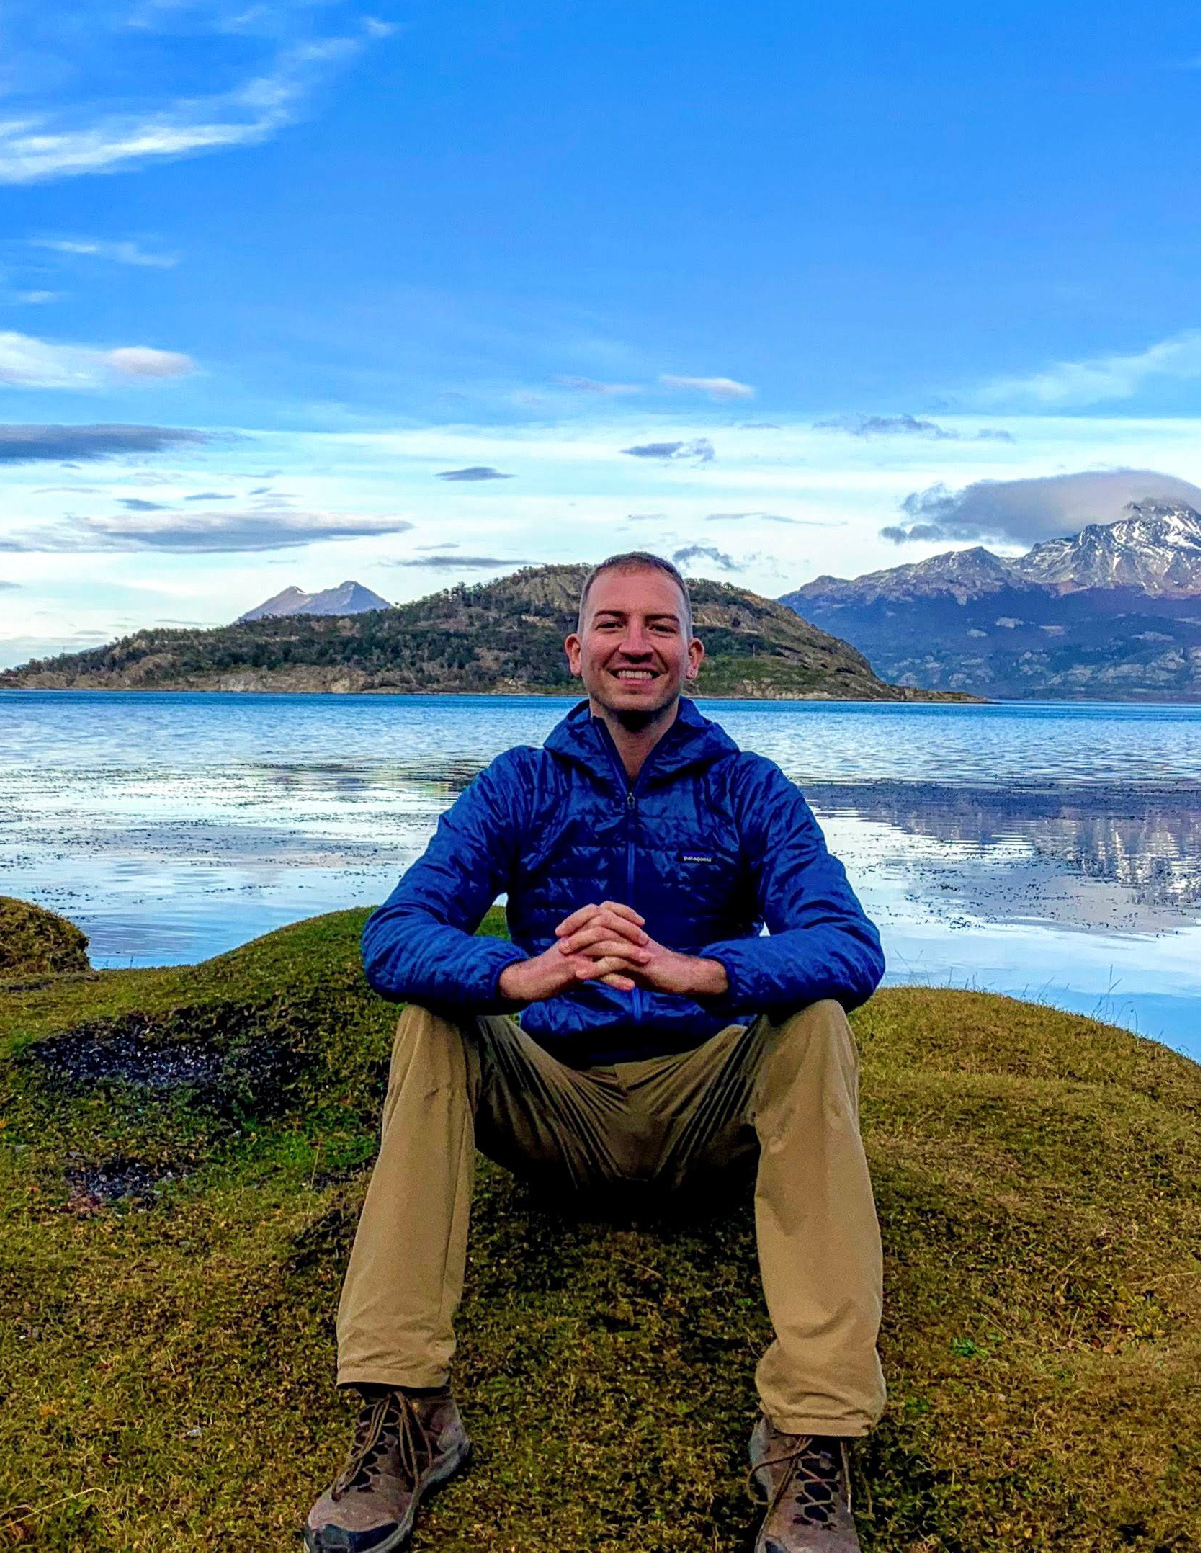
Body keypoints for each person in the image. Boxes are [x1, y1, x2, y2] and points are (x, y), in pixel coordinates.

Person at [303, 552, 887, 1553]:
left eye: (660, 626)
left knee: (818, 1021)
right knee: (431, 1021)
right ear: (576, 652)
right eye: (613, 624)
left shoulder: (749, 790)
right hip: (557, 1109)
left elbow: (848, 945)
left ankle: (812, 1431)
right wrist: (518, 975)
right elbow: (394, 936)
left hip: (702, 1114)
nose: (635, 645)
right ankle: (406, 1410)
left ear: (693, 656)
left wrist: (702, 972)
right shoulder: (521, 784)